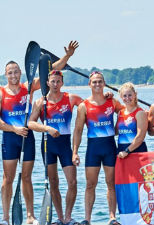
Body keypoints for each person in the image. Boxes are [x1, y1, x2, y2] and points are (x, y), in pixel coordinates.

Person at [0, 41, 78, 225]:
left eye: (16, 71)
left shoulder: (28, 87)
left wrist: (67, 56)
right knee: (8, 179)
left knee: (26, 177)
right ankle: (5, 217)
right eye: (10, 72)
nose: (13, 75)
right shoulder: (2, 93)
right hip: (11, 138)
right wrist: (14, 129)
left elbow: (49, 70)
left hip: (27, 138)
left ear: (21, 73)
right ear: (6, 74)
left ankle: (30, 215)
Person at [28, 70, 83, 225]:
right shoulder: (40, 102)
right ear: (48, 83)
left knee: (72, 182)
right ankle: (59, 217)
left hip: (65, 145)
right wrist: (48, 129)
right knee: (53, 182)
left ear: (62, 83)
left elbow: (91, 105)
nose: (55, 84)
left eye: (58, 81)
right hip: (48, 146)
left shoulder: (70, 98)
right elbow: (31, 123)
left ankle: (68, 217)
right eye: (53, 81)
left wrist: (106, 97)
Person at [72, 71, 123, 225]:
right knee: (90, 184)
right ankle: (87, 219)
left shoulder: (112, 102)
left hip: (109, 147)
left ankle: (112, 217)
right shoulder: (83, 106)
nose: (97, 84)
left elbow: (127, 112)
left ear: (104, 83)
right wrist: (74, 152)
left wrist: (116, 128)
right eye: (94, 82)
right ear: (89, 84)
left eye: (100, 81)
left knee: (111, 183)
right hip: (93, 148)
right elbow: (78, 130)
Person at [116, 82, 148, 158]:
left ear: (135, 95)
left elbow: (140, 137)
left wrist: (127, 151)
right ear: (121, 97)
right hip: (121, 150)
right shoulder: (120, 113)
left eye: (130, 95)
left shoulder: (140, 113)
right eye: (124, 96)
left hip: (137, 151)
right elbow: (116, 132)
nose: (127, 98)